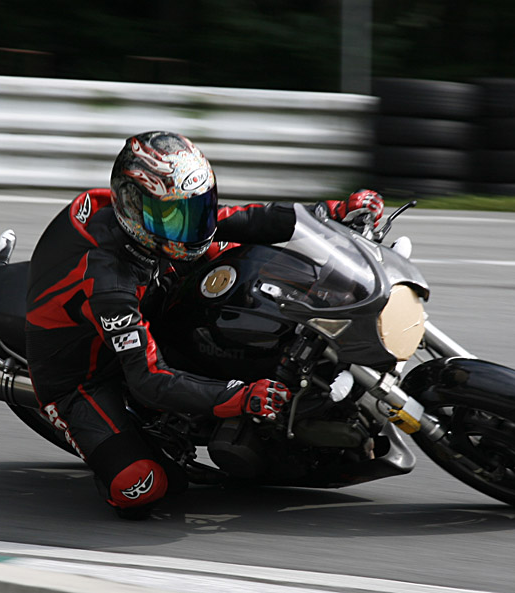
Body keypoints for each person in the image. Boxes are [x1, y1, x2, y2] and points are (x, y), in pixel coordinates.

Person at [25, 131, 385, 519]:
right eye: (177, 216)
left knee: (250, 261)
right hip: (85, 377)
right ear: (134, 209)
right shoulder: (108, 280)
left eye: (198, 207)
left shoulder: (160, 219)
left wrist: (332, 212)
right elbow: (148, 378)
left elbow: (246, 219)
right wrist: (241, 397)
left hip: (152, 298)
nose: (195, 225)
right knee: (142, 486)